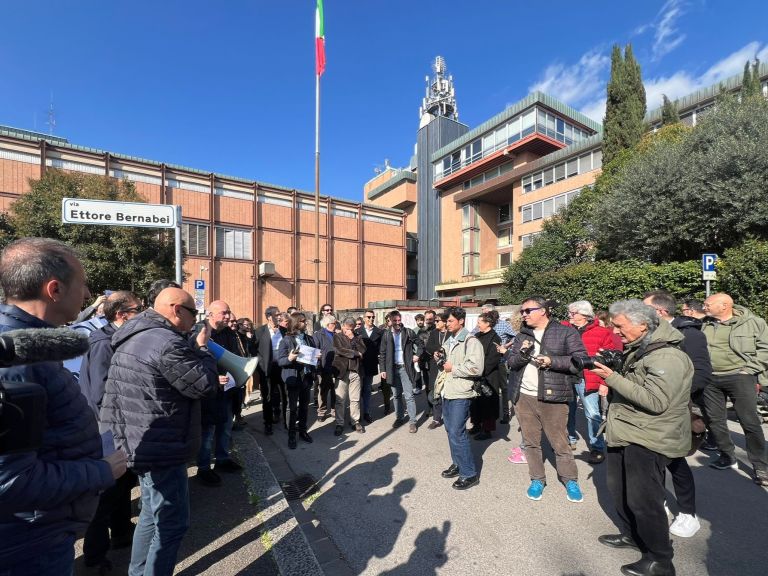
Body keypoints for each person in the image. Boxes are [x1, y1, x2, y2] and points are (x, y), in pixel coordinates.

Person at [0, 238, 126, 576]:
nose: (87, 295)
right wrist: (101, 470)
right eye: (82, 284)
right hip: (29, 544)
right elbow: (9, 481)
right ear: (54, 289)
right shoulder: (16, 360)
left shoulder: (27, 344)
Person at [100, 287, 217, 576]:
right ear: (177, 309)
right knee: (172, 523)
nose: (196, 320)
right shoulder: (166, 341)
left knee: (150, 516)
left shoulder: (136, 334)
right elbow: (203, 384)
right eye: (194, 313)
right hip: (162, 446)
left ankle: (138, 572)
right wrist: (202, 349)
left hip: (139, 441)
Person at [592, 299, 692, 576]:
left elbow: (656, 401)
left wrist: (611, 377)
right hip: (626, 431)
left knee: (644, 500)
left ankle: (660, 559)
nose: (615, 331)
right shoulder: (641, 348)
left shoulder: (667, 356)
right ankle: (633, 537)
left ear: (643, 325)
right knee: (620, 490)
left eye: (620, 326)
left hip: (648, 437)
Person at [80, 291, 143, 572]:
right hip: (108, 432)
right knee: (104, 496)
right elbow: (100, 394)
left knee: (122, 486)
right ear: (121, 315)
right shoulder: (104, 343)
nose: (142, 313)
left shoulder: (118, 339)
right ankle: (94, 559)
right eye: (137, 309)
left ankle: (120, 533)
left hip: (119, 428)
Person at [500, 296, 586, 503]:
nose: (524, 315)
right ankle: (537, 479)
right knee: (531, 443)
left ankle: (570, 480)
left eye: (528, 311)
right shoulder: (522, 335)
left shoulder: (566, 332)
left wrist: (552, 361)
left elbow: (580, 360)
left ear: (543, 310)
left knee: (560, 442)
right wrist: (522, 353)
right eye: (522, 311)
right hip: (524, 397)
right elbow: (511, 362)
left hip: (553, 397)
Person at [643, 290, 713, 537]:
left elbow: (702, 373)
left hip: (675, 408)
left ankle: (687, 513)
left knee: (674, 461)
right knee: (650, 459)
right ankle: (657, 501)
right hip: (648, 407)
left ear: (660, 312)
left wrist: (675, 395)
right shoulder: (647, 334)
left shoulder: (689, 335)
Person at [701, 293, 768, 485]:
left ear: (724, 306)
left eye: (708, 304)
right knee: (715, 420)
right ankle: (727, 456)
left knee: (750, 422)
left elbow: (765, 348)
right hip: (711, 378)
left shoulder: (753, 322)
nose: (704, 306)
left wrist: (749, 370)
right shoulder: (704, 322)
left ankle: (760, 466)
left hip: (739, 376)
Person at [564, 300, 622, 464]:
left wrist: (605, 383)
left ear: (584, 315)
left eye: (573, 313)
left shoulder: (602, 332)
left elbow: (609, 360)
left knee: (593, 414)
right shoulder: (566, 329)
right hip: (568, 376)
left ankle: (597, 447)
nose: (570, 316)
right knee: (568, 411)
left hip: (589, 378)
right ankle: (570, 439)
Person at [196, 300, 244, 487]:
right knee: (207, 431)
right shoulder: (200, 332)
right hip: (209, 393)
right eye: (224, 312)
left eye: (228, 312)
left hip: (227, 390)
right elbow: (193, 363)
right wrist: (212, 379)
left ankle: (223, 459)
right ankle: (204, 467)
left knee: (225, 427)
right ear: (210, 314)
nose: (227, 316)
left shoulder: (229, 334)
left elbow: (236, 358)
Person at [437, 307, 483, 490]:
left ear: (461, 321)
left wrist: (453, 368)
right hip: (448, 390)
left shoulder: (471, 341)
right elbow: (447, 363)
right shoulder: (451, 339)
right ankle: (458, 464)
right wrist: (440, 358)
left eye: (449, 321)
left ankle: (469, 473)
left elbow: (476, 368)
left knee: (457, 432)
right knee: (450, 431)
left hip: (461, 393)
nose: (446, 324)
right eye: (446, 321)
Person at [276, 312, 318, 449]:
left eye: (305, 321)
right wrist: (289, 358)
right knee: (293, 408)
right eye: (303, 321)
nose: (306, 323)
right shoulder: (286, 340)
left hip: (306, 377)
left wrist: (317, 357)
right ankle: (292, 435)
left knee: (305, 407)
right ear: (295, 323)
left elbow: (313, 355)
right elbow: (280, 361)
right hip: (293, 378)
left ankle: (303, 431)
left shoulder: (309, 338)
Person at [379, 309, 423, 432]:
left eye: (399, 320)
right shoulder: (386, 334)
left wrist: (417, 355)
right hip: (392, 369)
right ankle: (399, 417)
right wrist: (383, 369)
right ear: (390, 321)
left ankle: (413, 422)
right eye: (395, 320)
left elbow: (420, 344)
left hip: (405, 368)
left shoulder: (408, 332)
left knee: (409, 396)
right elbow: (382, 353)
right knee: (396, 395)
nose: (398, 322)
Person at [469, 310, 504, 441]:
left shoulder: (495, 338)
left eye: (479, 322)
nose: (477, 325)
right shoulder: (477, 335)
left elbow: (492, 360)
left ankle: (487, 429)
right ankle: (476, 425)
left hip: (488, 376)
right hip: (476, 375)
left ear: (488, 323)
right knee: (475, 403)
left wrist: (480, 372)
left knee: (487, 404)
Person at [253, 306, 284, 436]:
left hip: (281, 366)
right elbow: (253, 349)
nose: (279, 316)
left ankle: (279, 412)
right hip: (266, 368)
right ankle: (268, 423)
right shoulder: (259, 331)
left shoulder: (284, 330)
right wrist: (260, 363)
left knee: (281, 393)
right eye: (277, 314)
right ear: (269, 317)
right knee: (267, 396)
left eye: (280, 314)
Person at [332, 317, 367, 435]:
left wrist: (353, 338)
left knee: (355, 399)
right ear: (343, 326)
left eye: (351, 329)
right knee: (340, 399)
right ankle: (339, 423)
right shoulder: (337, 336)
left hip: (355, 371)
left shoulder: (357, 336)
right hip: (342, 371)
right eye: (347, 329)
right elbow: (340, 350)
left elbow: (363, 349)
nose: (349, 331)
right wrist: (356, 353)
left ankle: (355, 421)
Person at [356, 309, 384, 420]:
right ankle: (356, 414)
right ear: (364, 318)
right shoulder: (357, 331)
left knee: (367, 389)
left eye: (373, 317)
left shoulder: (379, 332)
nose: (371, 319)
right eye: (368, 317)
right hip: (358, 365)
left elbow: (381, 349)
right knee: (357, 390)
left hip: (371, 364)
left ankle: (366, 412)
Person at [424, 311, 449, 429]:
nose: (435, 323)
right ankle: (436, 418)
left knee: (447, 393)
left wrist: (443, 351)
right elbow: (428, 346)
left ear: (444, 322)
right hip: (435, 367)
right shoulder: (434, 333)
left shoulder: (451, 333)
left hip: (448, 368)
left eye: (437, 321)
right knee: (435, 393)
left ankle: (449, 417)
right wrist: (437, 350)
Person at [313, 314, 338, 422]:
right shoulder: (318, 335)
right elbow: (315, 351)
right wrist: (318, 367)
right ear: (328, 324)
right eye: (334, 323)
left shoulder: (337, 334)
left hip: (337, 367)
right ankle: (322, 411)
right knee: (323, 390)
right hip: (324, 367)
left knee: (336, 390)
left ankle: (334, 409)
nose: (336, 325)